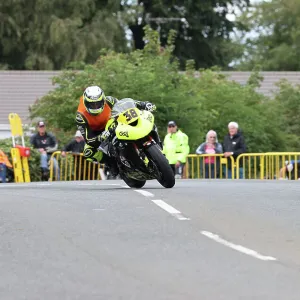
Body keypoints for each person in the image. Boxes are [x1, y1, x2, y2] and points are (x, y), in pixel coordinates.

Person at [75, 86, 158, 177]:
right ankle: (111, 164)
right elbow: (88, 139)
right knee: (88, 152)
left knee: (141, 118)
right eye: (92, 104)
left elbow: (125, 105)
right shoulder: (81, 116)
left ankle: (155, 143)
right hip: (98, 133)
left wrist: (143, 104)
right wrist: (100, 137)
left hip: (115, 123)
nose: (95, 106)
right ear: (86, 103)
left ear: (103, 100)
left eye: (98, 103)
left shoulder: (109, 100)